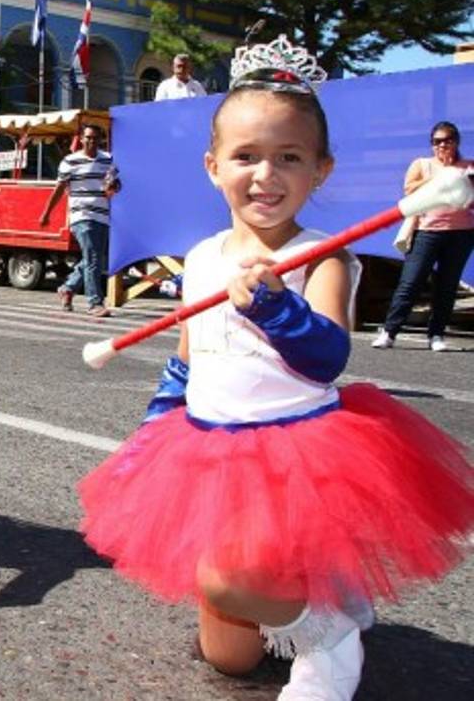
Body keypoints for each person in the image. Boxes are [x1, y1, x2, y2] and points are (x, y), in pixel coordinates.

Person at [77, 35, 474, 701]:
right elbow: (187, 361)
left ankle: (329, 638)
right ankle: (326, 594)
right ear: (212, 166)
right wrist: (155, 429)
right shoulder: (200, 257)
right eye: (246, 156)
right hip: (209, 447)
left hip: (297, 452)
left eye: (289, 157)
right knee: (230, 657)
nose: (266, 175)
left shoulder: (324, 256)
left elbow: (325, 357)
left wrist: (273, 306)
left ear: (321, 169)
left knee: (226, 582)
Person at [372, 121, 473, 352]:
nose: (442, 145)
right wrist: (445, 176)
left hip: (461, 233)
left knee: (447, 286)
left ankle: (436, 335)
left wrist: (461, 177)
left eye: (447, 140)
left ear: (456, 142)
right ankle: (389, 331)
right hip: (427, 231)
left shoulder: (468, 166)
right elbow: (409, 190)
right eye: (437, 141)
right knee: (411, 282)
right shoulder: (422, 164)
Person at [38, 125, 121, 317]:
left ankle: (67, 288)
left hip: (103, 215)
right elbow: (59, 188)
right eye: (88, 138)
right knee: (93, 258)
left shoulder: (108, 159)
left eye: (95, 138)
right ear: (81, 139)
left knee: (95, 258)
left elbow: (115, 185)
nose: (91, 141)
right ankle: (94, 302)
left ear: (101, 140)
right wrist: (47, 212)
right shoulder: (70, 161)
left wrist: (113, 186)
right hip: (81, 215)